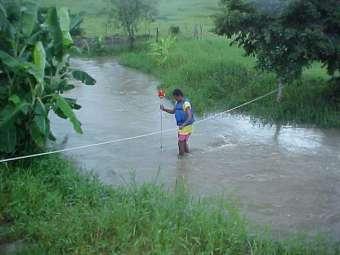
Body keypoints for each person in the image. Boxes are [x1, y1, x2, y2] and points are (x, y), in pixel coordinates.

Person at [161, 89, 194, 156]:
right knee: (184, 142)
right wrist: (164, 109)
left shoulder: (186, 104)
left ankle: (181, 159)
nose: (175, 99)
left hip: (186, 126)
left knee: (180, 143)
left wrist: (183, 125)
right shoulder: (177, 103)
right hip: (182, 126)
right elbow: (173, 111)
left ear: (179, 96)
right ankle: (188, 157)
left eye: (175, 97)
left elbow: (190, 116)